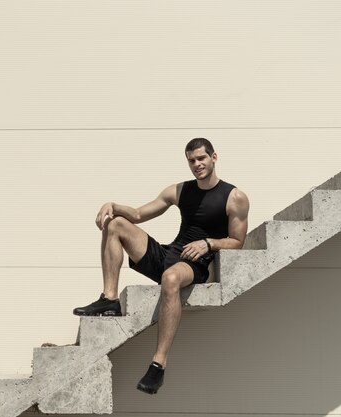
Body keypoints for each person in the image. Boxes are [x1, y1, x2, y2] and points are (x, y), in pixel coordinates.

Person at [73, 138, 249, 394]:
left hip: (195, 264)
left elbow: (237, 242)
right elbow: (137, 215)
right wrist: (112, 205)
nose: (197, 164)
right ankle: (109, 298)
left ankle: (158, 365)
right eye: (192, 160)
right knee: (116, 224)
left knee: (170, 278)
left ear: (214, 157)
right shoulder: (178, 191)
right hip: (170, 253)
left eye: (202, 158)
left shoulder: (234, 197)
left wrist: (208, 244)